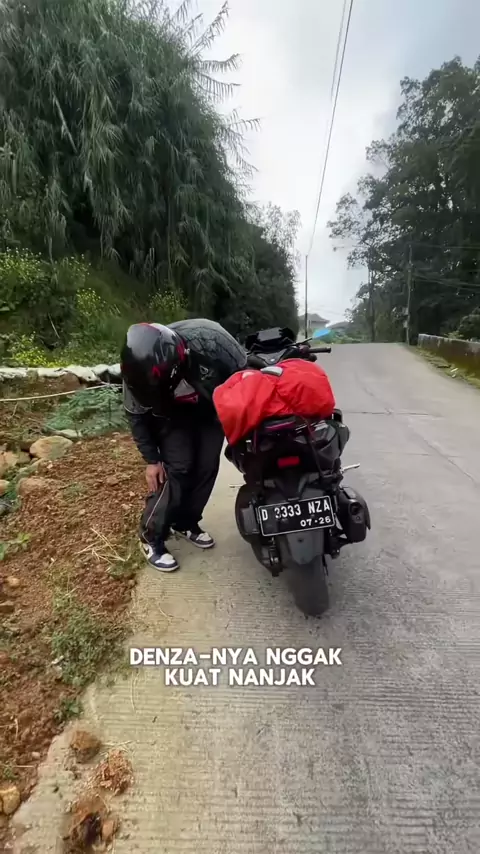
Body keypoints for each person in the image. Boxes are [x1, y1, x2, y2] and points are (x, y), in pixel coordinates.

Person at [121, 318, 247, 571]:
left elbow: (244, 377)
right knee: (178, 468)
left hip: (211, 406)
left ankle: (185, 522)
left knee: (207, 466)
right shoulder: (136, 372)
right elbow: (136, 417)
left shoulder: (213, 341)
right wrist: (152, 460)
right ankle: (150, 536)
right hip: (171, 414)